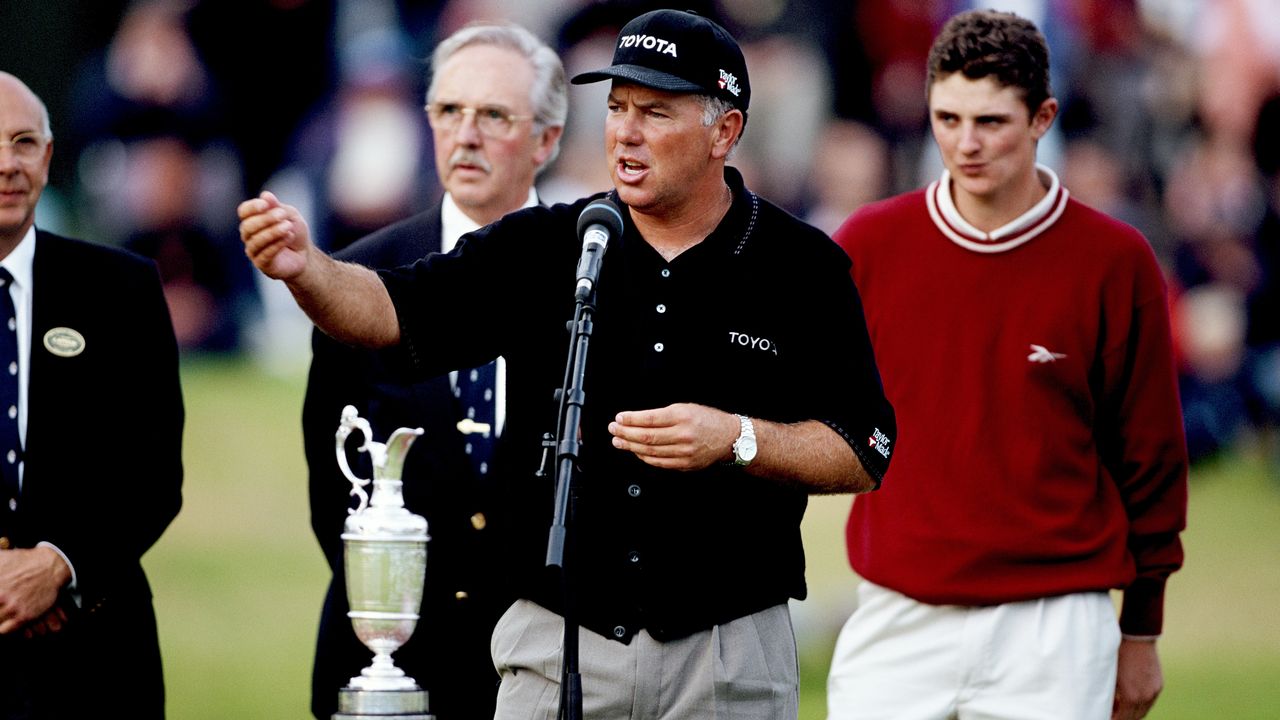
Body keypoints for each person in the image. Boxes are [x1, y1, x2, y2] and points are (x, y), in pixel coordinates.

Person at [240, 9, 894, 720]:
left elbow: (865, 447)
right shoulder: (552, 242)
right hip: (561, 644)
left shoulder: (802, 267)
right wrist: (306, 270)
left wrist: (739, 439)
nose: (625, 132)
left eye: (655, 112)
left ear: (724, 132)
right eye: (615, 108)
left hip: (727, 652)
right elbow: (391, 310)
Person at [825, 10, 1188, 720]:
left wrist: (1142, 626)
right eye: (947, 118)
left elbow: (1150, 458)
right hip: (897, 616)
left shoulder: (1114, 261)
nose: (965, 143)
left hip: (1054, 625)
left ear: (1042, 117)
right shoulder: (868, 245)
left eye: (990, 121)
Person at [301, 23, 566, 720]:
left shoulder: (590, 275)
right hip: (387, 655)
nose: (466, 135)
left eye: (494, 116)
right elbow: (333, 494)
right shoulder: (358, 281)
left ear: (546, 140)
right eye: (449, 112)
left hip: (547, 665)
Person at [0, 72, 184, 718]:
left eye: (24, 143)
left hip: (98, 664)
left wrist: (57, 567)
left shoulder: (121, 290)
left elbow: (156, 473)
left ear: (48, 160)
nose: (7, 164)